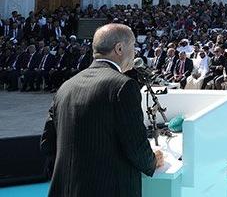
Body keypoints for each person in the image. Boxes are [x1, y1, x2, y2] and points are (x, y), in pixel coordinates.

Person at [40, 23, 163, 197]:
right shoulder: (123, 86)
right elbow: (136, 145)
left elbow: (47, 143)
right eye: (133, 46)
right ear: (119, 48)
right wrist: (152, 161)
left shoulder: (66, 86)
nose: (135, 52)